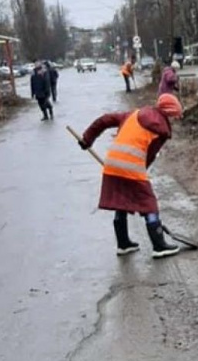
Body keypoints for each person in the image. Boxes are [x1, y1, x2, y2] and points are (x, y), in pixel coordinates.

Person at [78, 93, 183, 259]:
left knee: (121, 200)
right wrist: (140, 172)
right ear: (170, 112)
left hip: (112, 162)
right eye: (175, 115)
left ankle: (123, 244)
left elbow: (105, 119)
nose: (175, 119)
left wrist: (87, 139)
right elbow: (149, 155)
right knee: (148, 203)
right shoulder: (161, 129)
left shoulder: (133, 114)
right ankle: (159, 245)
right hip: (131, 166)